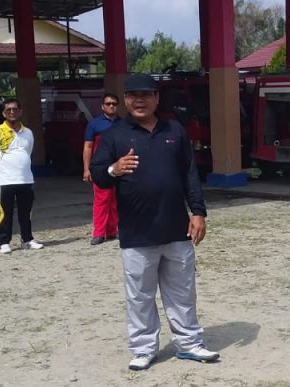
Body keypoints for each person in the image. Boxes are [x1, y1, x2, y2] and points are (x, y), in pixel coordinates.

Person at [89, 73, 218, 371]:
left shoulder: (174, 130)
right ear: (125, 100)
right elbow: (98, 175)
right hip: (137, 232)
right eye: (133, 95)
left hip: (176, 229)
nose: (140, 100)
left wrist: (198, 212)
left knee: (182, 292)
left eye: (146, 94)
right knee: (140, 296)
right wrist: (114, 168)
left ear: (157, 98)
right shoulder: (115, 135)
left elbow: (189, 174)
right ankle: (144, 348)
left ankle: (189, 343)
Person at [0, 99, 43, 254]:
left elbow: (28, 152)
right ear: (4, 113)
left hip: (25, 179)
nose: (12, 112)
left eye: (15, 109)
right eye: (8, 110)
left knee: (26, 212)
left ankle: (27, 240)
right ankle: (4, 241)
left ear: (20, 112)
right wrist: (2, 169)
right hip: (5, 180)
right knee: (5, 212)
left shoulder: (27, 133)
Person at [83, 93, 121, 245]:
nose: (111, 106)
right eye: (108, 104)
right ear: (102, 106)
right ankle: (99, 233)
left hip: (119, 167)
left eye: (114, 104)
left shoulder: (124, 124)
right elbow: (88, 146)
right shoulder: (94, 125)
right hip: (100, 168)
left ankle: (112, 231)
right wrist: (86, 169)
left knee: (116, 200)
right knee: (101, 200)